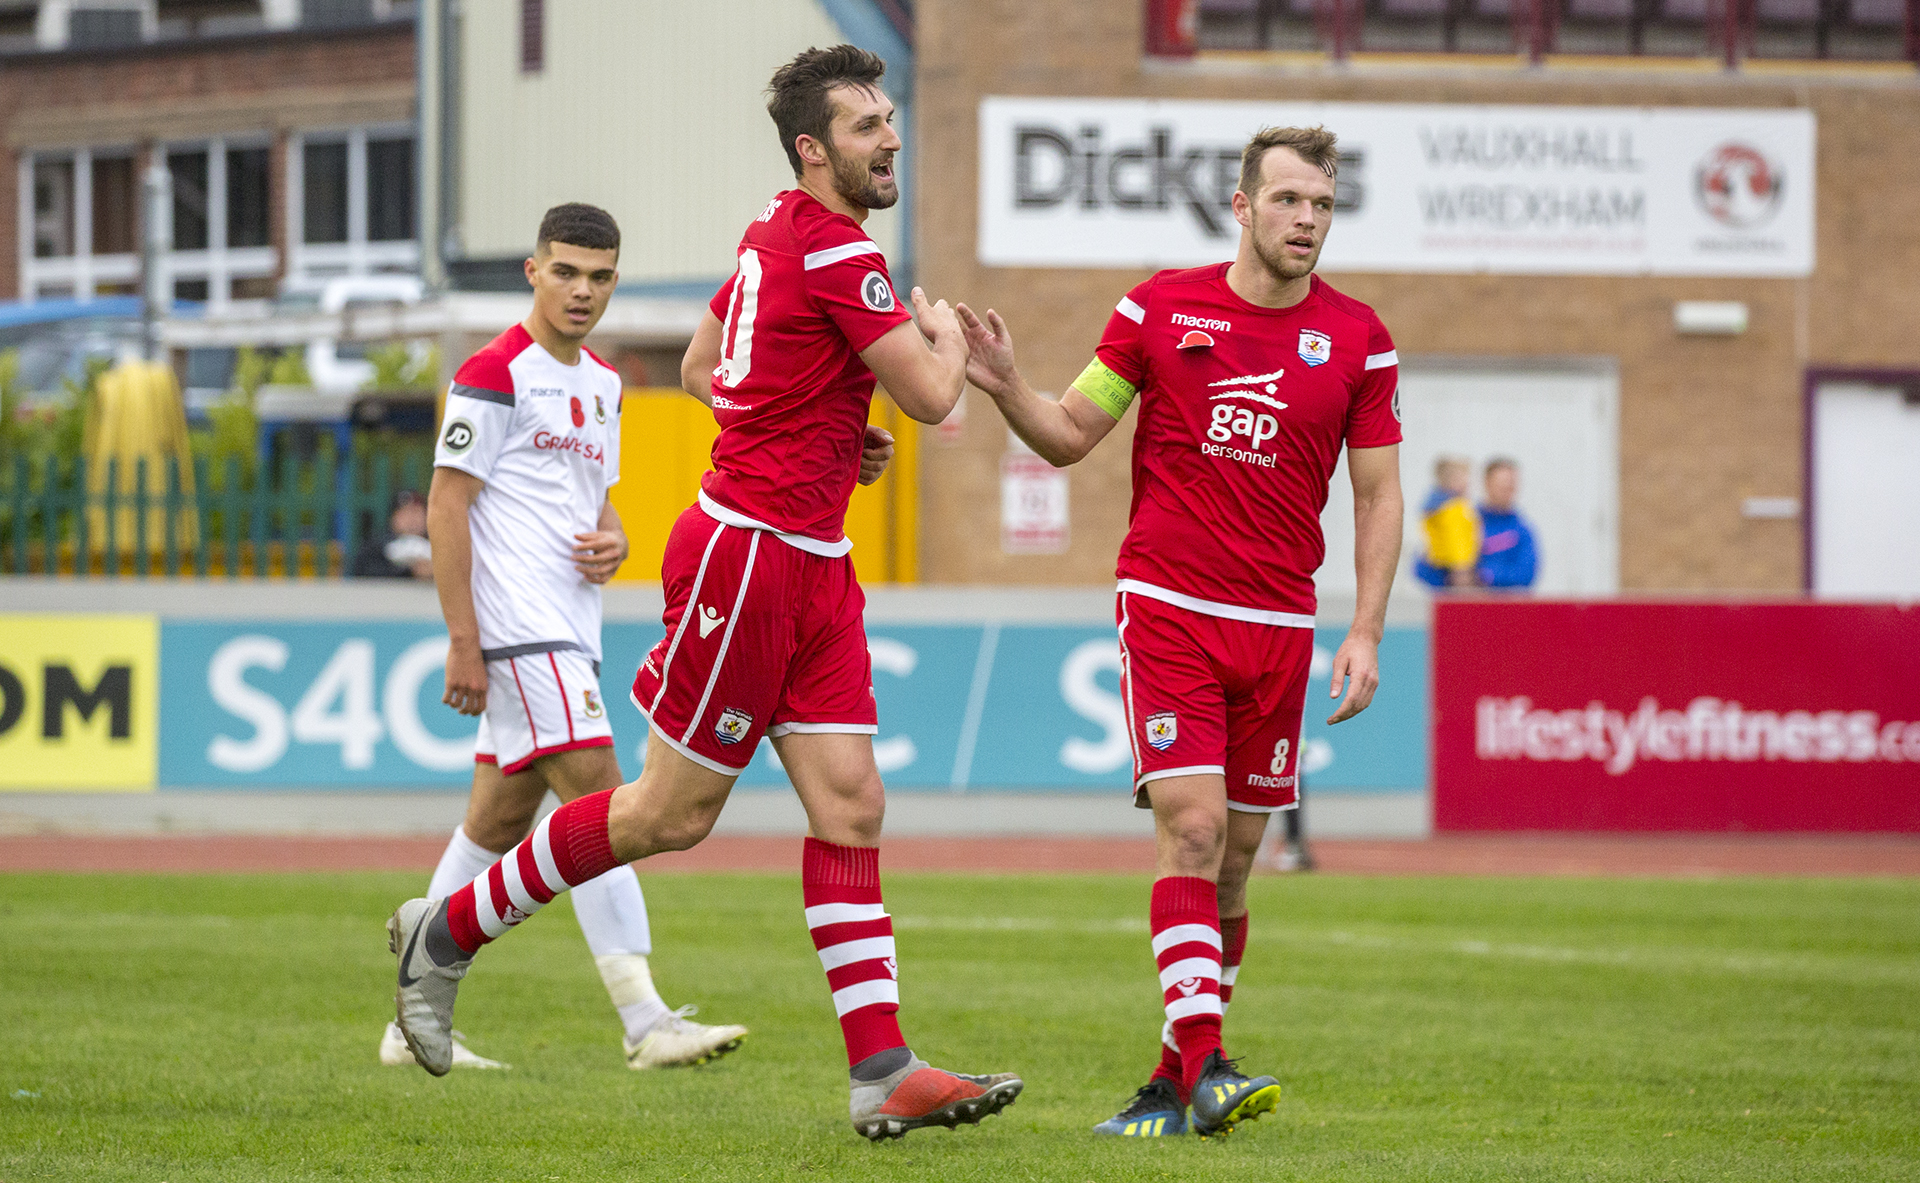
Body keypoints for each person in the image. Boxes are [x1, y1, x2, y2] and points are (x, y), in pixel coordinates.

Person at [386, 46, 1023, 1142]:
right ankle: (445, 934)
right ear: (815, 150)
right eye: (869, 127)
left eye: (890, 120)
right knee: (664, 815)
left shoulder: (775, 232)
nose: (892, 140)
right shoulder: (833, 251)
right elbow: (929, 396)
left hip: (812, 558)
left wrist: (824, 427)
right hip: (753, 555)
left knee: (853, 805)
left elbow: (701, 369)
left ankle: (881, 1067)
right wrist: (949, 335)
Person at [958, 124, 1404, 1138]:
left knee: (1239, 861)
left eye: (1323, 206)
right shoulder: (1160, 309)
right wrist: (1007, 386)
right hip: (1170, 606)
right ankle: (1210, 1066)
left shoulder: (1361, 340)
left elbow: (1379, 496)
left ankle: (1172, 1075)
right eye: (1289, 200)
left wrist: (1366, 628)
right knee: (1193, 829)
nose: (1307, 220)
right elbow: (1072, 431)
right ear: (1242, 208)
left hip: (1281, 624)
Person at [381, 202, 748, 1075]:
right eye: (567, 272)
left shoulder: (603, 383)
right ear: (533, 272)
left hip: (567, 630)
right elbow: (447, 502)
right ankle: (644, 1017)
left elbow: (588, 499)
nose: (583, 291)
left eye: (600, 276)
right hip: (519, 631)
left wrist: (614, 537)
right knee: (606, 807)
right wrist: (463, 638)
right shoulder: (494, 371)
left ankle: (409, 1010)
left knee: (498, 822)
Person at [1414, 455, 1479, 588]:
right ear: (1447, 482)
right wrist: (1461, 565)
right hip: (1456, 568)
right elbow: (1456, 537)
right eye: (1461, 479)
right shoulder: (1452, 509)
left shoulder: (1437, 508)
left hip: (1442, 563)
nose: (1466, 483)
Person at [1474, 456, 1538, 589]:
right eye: (1502, 483)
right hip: (1466, 606)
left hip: (1507, 607)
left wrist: (1484, 575)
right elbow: (1427, 572)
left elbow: (1526, 575)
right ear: (1487, 483)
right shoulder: (1467, 524)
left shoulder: (1522, 531)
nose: (1507, 488)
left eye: (1511, 484)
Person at [350, 490, 433, 579]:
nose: (411, 519)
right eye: (404, 513)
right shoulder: (375, 547)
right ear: (393, 517)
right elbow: (364, 574)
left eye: (416, 512)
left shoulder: (436, 546)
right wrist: (410, 572)